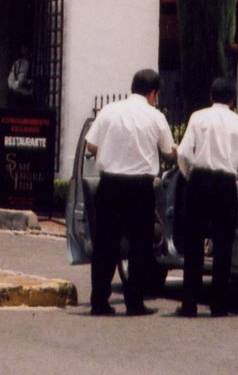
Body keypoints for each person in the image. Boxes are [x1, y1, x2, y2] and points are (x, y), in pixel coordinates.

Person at [85, 68, 176, 316]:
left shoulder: (109, 111)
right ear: (153, 93)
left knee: (105, 244)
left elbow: (91, 144)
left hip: (110, 184)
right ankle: (134, 303)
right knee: (140, 246)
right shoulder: (155, 116)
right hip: (140, 188)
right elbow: (169, 150)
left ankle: (99, 302)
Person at [175, 76, 238, 318]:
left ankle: (189, 302)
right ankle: (218, 305)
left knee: (194, 242)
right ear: (233, 99)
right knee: (223, 244)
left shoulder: (198, 118)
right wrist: (233, 175)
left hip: (200, 180)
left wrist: (190, 175)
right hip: (225, 184)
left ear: (211, 95)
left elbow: (185, 153)